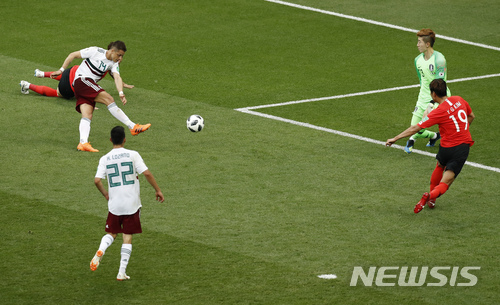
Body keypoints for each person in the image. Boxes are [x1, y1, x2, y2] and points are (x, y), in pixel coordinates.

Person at [386, 79, 475, 213]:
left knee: (440, 165)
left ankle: (431, 199)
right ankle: (431, 196)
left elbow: (416, 127)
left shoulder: (438, 112)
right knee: (447, 181)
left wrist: (396, 138)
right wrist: (461, 130)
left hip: (446, 148)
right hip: (461, 148)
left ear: (433, 94)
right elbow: (471, 116)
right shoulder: (459, 100)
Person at [49, 40, 151, 152]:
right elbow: (73, 55)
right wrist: (61, 70)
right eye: (119, 55)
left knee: (87, 114)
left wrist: (121, 92)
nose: (120, 58)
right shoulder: (95, 51)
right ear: (112, 51)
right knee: (109, 99)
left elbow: (117, 77)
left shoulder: (113, 64)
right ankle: (133, 126)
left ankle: (83, 143)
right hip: (81, 80)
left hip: (84, 87)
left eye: (122, 56)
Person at [91, 126, 164, 280]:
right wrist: (157, 190)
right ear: (125, 139)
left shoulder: (104, 158)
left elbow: (97, 180)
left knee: (111, 233)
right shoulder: (133, 155)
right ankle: (121, 272)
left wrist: (105, 194)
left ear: (110, 140)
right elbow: (147, 173)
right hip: (132, 204)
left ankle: (101, 250)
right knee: (127, 236)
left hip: (115, 204)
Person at [404, 29, 451, 154]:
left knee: (422, 125)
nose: (417, 44)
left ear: (427, 44)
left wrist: (432, 103)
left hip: (439, 97)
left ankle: (412, 139)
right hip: (423, 97)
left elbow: (441, 84)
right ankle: (434, 136)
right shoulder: (417, 60)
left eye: (419, 42)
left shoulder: (439, 60)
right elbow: (422, 81)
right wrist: (424, 99)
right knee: (414, 127)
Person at [20, 65, 134, 99]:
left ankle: (41, 74)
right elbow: (115, 75)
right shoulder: (112, 64)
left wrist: (122, 84)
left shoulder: (101, 56)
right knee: (57, 93)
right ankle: (28, 85)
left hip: (71, 71)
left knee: (66, 75)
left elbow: (115, 76)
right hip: (70, 86)